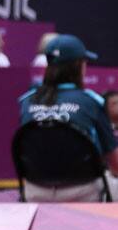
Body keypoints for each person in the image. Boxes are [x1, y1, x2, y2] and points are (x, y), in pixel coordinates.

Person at [18, 34, 118, 201]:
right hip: (82, 192)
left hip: (34, 191)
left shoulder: (26, 101)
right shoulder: (91, 101)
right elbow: (115, 164)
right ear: (79, 66)